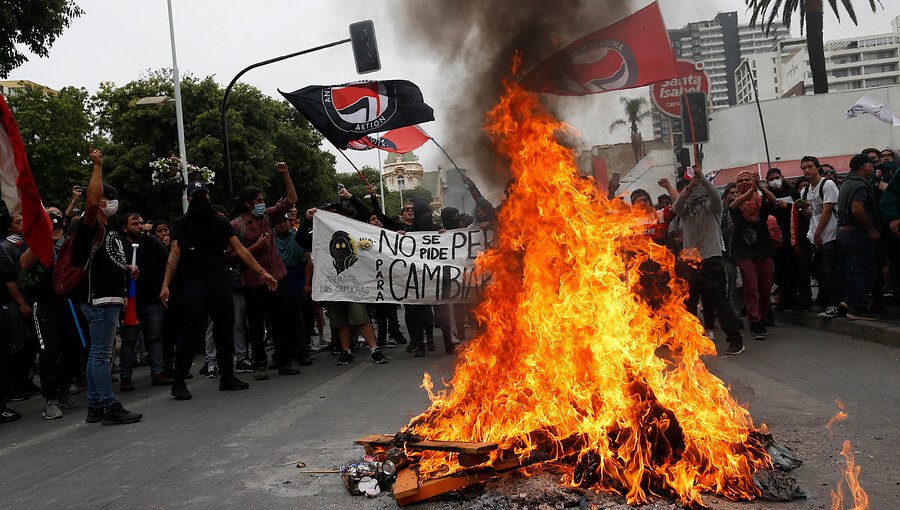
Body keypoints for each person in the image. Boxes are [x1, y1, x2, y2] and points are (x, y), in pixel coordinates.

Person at [162, 180, 278, 401]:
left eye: (203, 195)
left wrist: (262, 272)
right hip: (194, 285)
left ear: (207, 197)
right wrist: (165, 285)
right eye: (196, 196)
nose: (200, 200)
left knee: (225, 331)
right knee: (191, 334)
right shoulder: (181, 223)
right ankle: (178, 382)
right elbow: (174, 255)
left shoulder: (219, 222)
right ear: (189, 199)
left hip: (220, 283)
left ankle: (227, 376)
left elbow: (240, 250)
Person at [73, 147, 143, 425]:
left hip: (108, 298)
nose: (113, 203)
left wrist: (127, 270)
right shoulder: (89, 223)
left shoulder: (107, 230)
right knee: (102, 354)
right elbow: (90, 204)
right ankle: (109, 406)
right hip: (99, 299)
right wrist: (97, 167)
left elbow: (108, 261)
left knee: (96, 353)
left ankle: (94, 405)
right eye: (108, 198)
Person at [228, 162, 299, 380]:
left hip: (277, 277)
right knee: (256, 323)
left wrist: (286, 173)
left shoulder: (268, 216)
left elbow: (291, 200)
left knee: (280, 320)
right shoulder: (236, 225)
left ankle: (284, 359)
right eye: (258, 201)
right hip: (253, 281)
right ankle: (259, 363)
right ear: (248, 203)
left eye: (263, 200)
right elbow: (230, 255)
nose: (262, 204)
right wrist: (255, 248)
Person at [672, 165, 744, 355]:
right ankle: (689, 340)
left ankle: (736, 341)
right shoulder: (685, 211)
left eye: (698, 189)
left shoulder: (713, 208)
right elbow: (676, 206)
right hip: (690, 262)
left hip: (712, 258)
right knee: (689, 305)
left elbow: (713, 194)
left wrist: (701, 177)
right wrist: (689, 187)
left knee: (720, 302)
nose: (696, 193)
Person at [118, 212, 173, 391]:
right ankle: (125, 376)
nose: (140, 227)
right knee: (129, 339)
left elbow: (168, 261)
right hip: (131, 300)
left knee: (155, 336)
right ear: (125, 228)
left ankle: (158, 372)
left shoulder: (152, 243)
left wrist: (164, 286)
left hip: (152, 298)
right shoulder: (119, 245)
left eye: (141, 223)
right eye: (135, 224)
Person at [729, 170, 779, 340]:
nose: (744, 182)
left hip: (763, 249)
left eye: (747, 180)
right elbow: (733, 206)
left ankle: (763, 319)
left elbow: (773, 201)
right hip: (744, 251)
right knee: (751, 288)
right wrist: (750, 191)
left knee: (765, 288)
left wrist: (760, 188)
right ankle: (754, 322)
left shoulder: (760, 201)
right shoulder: (736, 203)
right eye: (741, 180)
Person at [836, 154, 882, 320]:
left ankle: (851, 299)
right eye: (871, 165)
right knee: (867, 271)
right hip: (855, 232)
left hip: (843, 232)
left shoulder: (847, 183)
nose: (873, 168)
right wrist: (871, 229)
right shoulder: (859, 185)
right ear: (864, 166)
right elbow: (857, 209)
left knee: (856, 269)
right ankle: (858, 308)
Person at [796, 156, 842, 318]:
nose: (807, 170)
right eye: (804, 168)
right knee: (820, 272)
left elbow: (828, 210)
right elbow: (813, 214)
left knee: (831, 270)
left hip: (829, 234)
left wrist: (818, 233)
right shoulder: (805, 191)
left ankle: (835, 303)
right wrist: (804, 210)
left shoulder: (827, 184)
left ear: (817, 167)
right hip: (815, 236)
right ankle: (826, 301)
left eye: (809, 167)